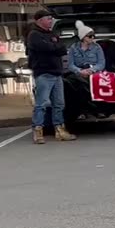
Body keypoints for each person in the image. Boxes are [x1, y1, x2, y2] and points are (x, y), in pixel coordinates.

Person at [25, 9, 76, 144]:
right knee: (41, 104)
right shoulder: (34, 35)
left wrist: (54, 47)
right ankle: (38, 131)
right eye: (48, 18)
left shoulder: (52, 34)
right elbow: (46, 48)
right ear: (40, 20)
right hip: (43, 73)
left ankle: (60, 130)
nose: (50, 21)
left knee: (59, 103)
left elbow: (62, 48)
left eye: (51, 18)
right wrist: (54, 47)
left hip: (57, 73)